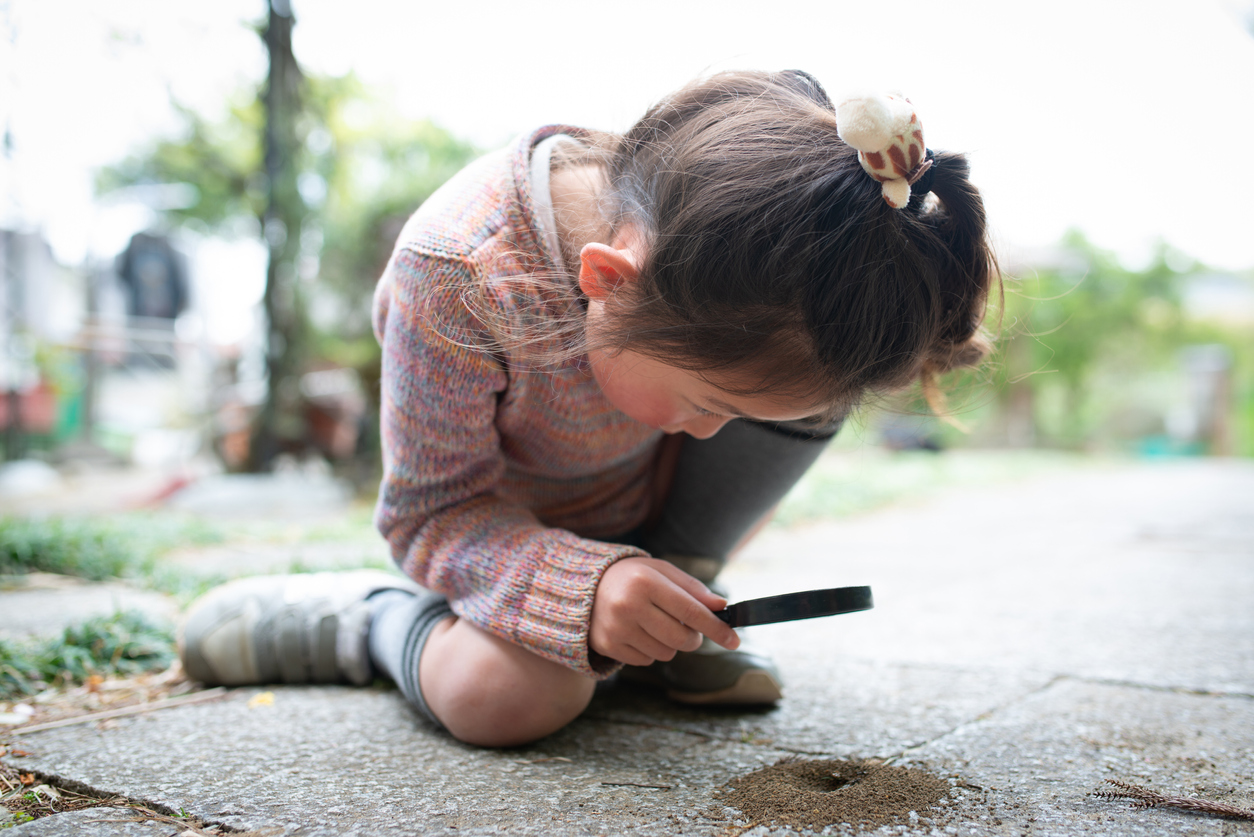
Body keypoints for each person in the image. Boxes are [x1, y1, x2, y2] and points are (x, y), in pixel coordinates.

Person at [178, 70, 997, 748]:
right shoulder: (461, 276)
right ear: (609, 281)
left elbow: (756, 391)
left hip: (635, 528)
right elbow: (433, 513)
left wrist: (649, 583)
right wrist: (581, 586)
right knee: (510, 698)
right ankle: (372, 621)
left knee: (800, 391)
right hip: (494, 546)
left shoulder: (737, 248)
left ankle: (672, 604)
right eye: (706, 403)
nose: (717, 436)